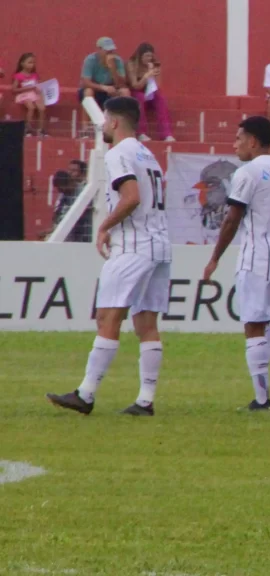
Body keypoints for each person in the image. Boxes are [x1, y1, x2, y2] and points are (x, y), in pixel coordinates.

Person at [46, 97, 170, 416]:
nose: (102, 127)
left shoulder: (118, 153)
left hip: (133, 244)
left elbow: (130, 198)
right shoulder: (148, 155)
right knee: (146, 321)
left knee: (108, 316)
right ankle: (145, 400)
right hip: (159, 244)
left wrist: (104, 226)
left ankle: (86, 394)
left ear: (114, 122)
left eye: (104, 122)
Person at [202, 116, 270, 411]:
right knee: (263, 322)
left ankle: (262, 399)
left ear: (253, 141)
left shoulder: (247, 173)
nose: (234, 144)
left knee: (252, 325)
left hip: (258, 257)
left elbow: (232, 218)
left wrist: (214, 257)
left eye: (238, 138)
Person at [126, 43, 175, 142]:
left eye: (150, 56)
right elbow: (135, 85)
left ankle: (166, 134)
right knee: (139, 97)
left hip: (150, 93)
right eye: (146, 56)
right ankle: (141, 133)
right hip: (136, 92)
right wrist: (146, 76)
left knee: (160, 98)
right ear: (140, 56)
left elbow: (157, 86)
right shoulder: (131, 64)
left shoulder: (155, 65)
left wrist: (153, 73)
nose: (148, 58)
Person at [79, 37, 131, 131]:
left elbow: (122, 84)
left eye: (111, 51)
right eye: (107, 51)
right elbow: (86, 82)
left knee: (125, 92)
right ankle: (85, 128)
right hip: (96, 88)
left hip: (111, 89)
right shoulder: (90, 60)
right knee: (88, 92)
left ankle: (124, 127)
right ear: (99, 49)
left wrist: (113, 69)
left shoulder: (117, 61)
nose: (110, 53)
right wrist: (103, 88)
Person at [12, 53, 47, 136]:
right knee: (31, 107)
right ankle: (27, 129)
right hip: (25, 95)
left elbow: (38, 86)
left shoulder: (35, 75)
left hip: (35, 95)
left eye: (33, 63)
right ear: (22, 63)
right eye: (29, 62)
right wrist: (29, 88)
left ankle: (41, 129)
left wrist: (40, 93)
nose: (32, 65)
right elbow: (14, 89)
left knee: (42, 108)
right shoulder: (18, 76)